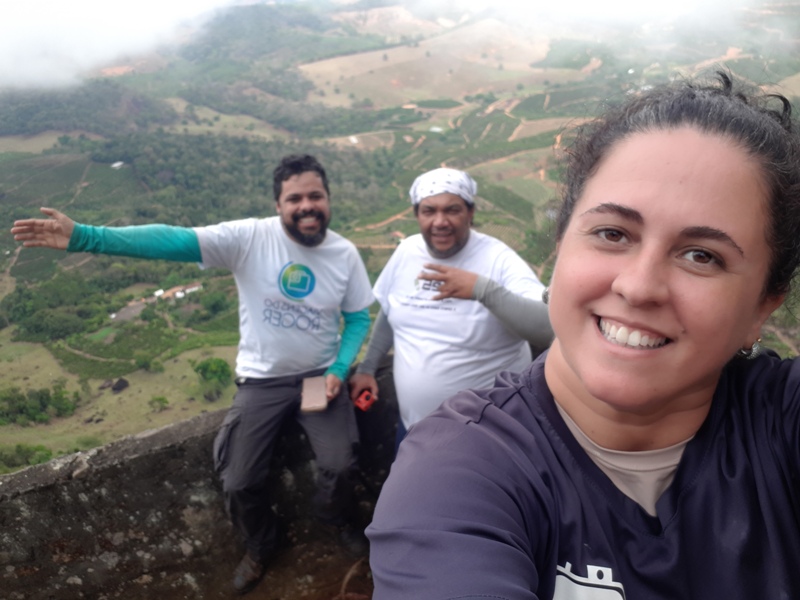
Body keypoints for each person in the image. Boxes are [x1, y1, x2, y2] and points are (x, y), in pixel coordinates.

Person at [366, 72, 800, 599]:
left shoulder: (780, 422)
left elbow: (534, 322)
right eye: (612, 233)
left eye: (701, 255)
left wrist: (480, 289)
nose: (639, 287)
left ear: (763, 307)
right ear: (562, 245)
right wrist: (367, 366)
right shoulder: (457, 472)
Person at [11, 154, 374, 596]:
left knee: (339, 464)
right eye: (294, 197)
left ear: (328, 199)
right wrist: (87, 237)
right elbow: (173, 241)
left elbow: (357, 318)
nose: (306, 205)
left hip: (319, 376)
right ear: (278, 205)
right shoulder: (250, 238)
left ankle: (337, 521)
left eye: (314, 195)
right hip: (262, 381)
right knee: (239, 480)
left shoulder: (344, 254)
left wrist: (339, 369)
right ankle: (262, 545)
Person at [348, 167, 552, 448]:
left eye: (452, 210)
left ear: (470, 213)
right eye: (429, 211)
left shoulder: (498, 260)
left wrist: (482, 290)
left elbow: (548, 328)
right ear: (416, 214)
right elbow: (389, 311)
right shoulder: (407, 251)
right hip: (415, 428)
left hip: (489, 435)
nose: (439, 221)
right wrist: (367, 368)